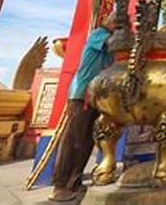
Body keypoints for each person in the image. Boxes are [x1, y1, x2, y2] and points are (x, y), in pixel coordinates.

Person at [49, 14, 116, 202]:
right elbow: (115, 43)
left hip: (97, 96)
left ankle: (75, 181)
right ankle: (60, 184)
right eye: (118, 23)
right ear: (110, 23)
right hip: (81, 95)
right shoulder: (99, 34)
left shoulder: (111, 44)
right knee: (73, 139)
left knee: (87, 141)